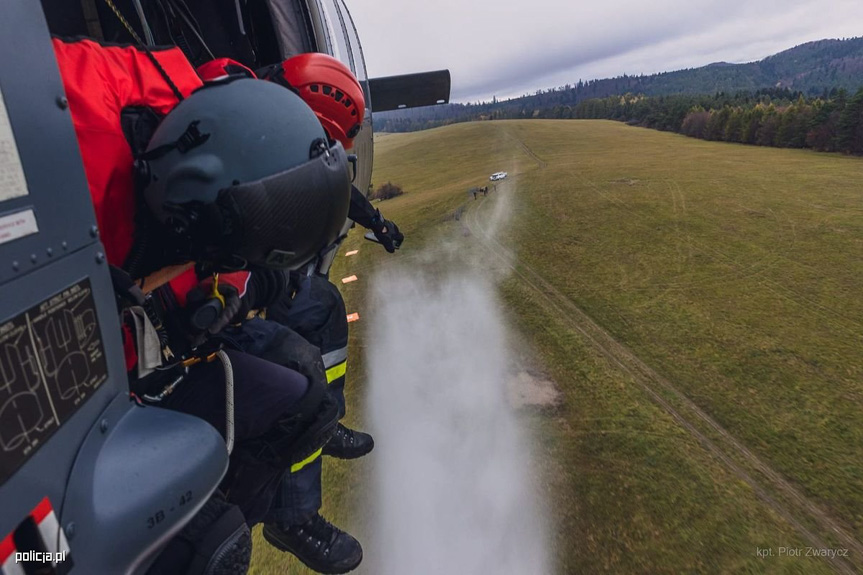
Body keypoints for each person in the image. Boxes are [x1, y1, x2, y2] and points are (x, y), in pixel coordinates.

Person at [52, 37, 351, 573]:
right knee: (202, 546)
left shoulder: (211, 154)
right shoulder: (64, 115)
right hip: (50, 437)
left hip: (130, 368)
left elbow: (207, 248)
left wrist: (236, 290)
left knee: (301, 394)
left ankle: (247, 512)